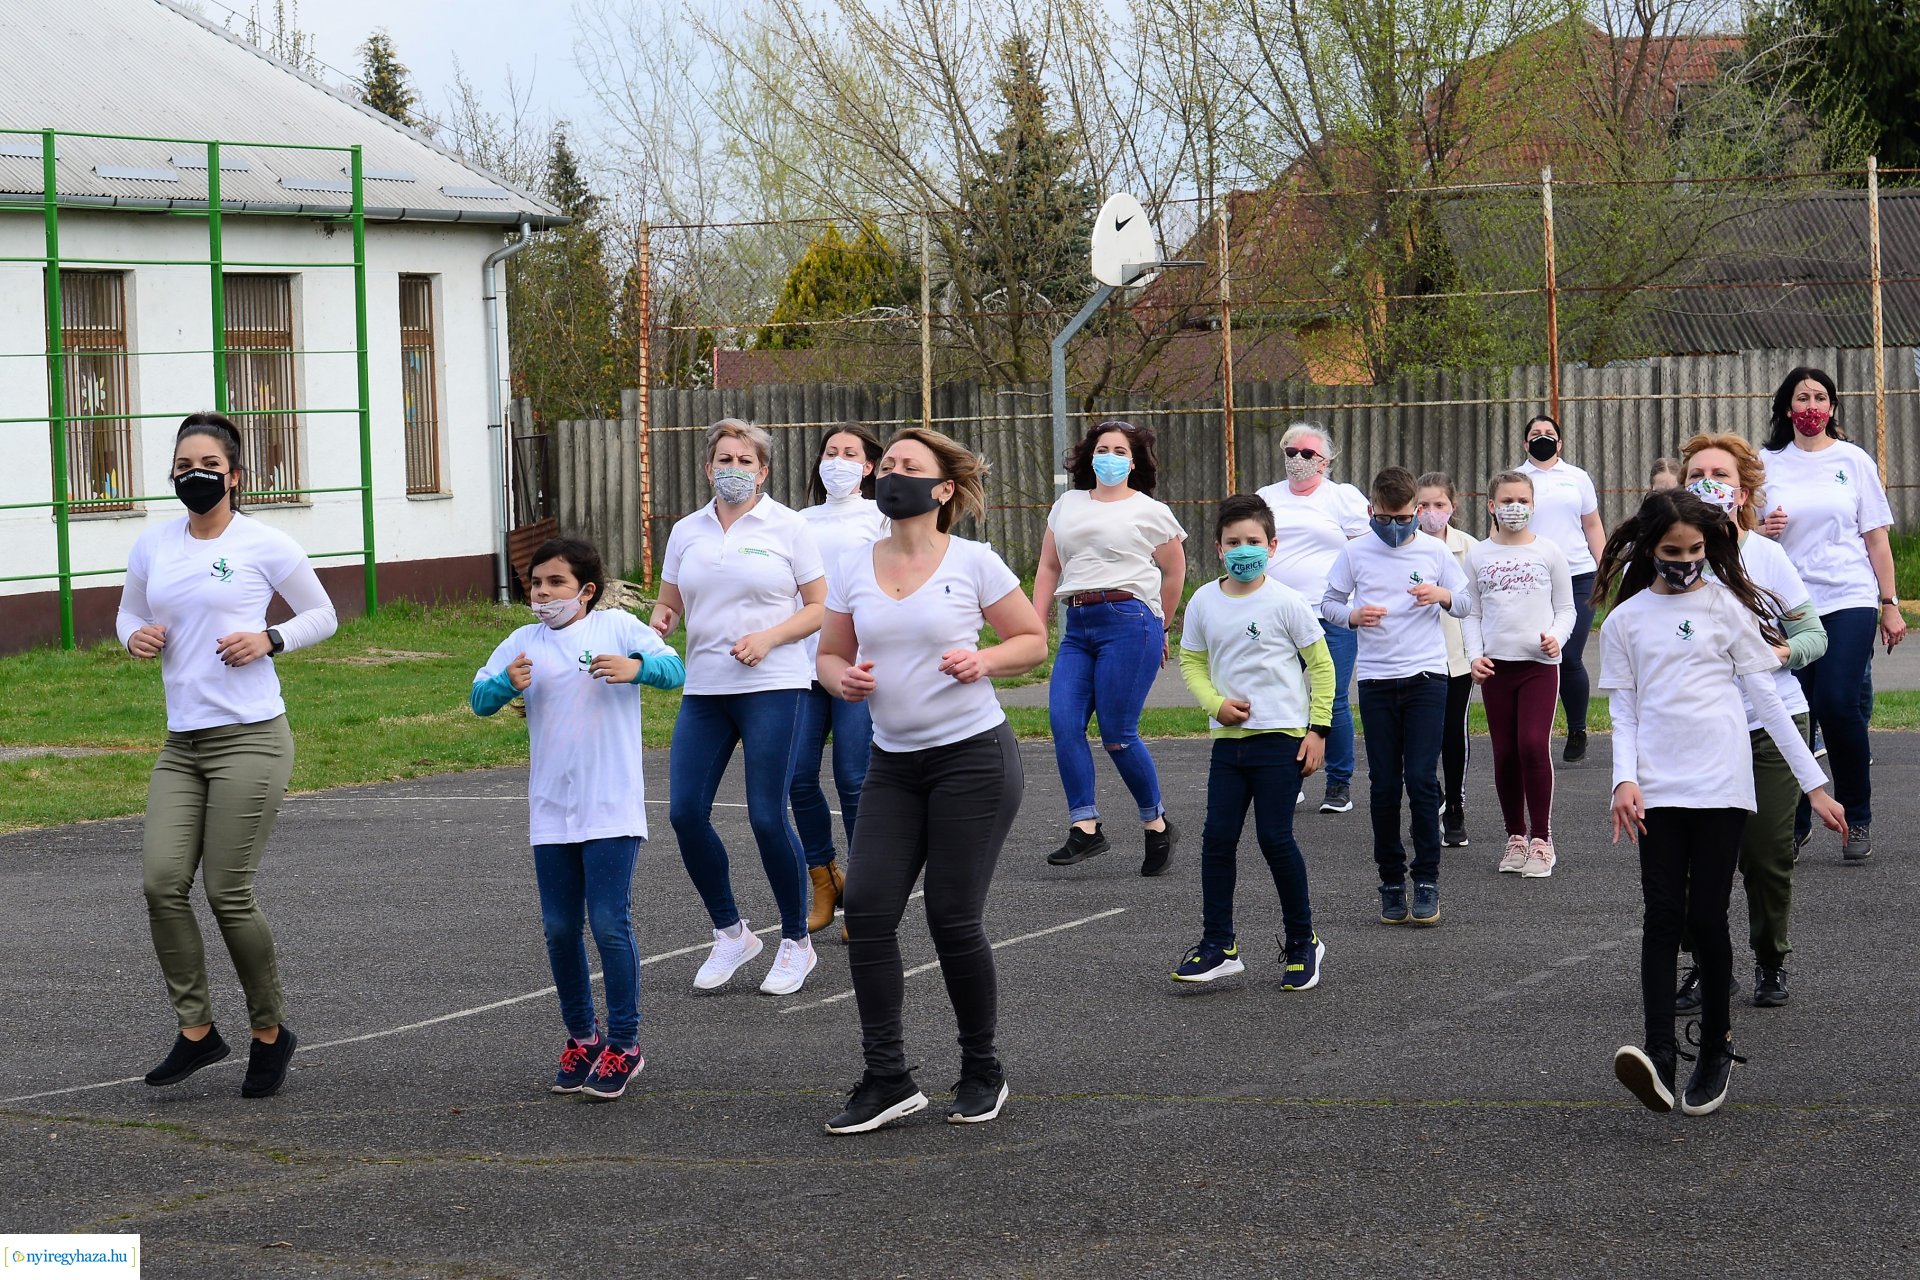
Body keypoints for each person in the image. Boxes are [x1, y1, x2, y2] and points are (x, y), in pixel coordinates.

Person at [817, 428, 1047, 1134]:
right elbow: (830, 654)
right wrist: (843, 681)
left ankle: (982, 1068)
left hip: (972, 759)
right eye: (885, 466)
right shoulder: (855, 564)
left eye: (907, 468)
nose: (891, 476)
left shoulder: (973, 561)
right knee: (871, 911)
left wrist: (987, 661)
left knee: (952, 915)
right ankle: (888, 1078)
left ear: (943, 489)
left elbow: (1033, 641)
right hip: (894, 763)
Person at [1598, 490, 1847, 1117]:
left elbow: (1768, 700)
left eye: (1696, 551)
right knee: (1661, 914)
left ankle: (1714, 1047)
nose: (1686, 562)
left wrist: (1814, 785)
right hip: (1657, 784)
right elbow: (1623, 711)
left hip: (1721, 783)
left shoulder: (1727, 607)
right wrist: (1622, 781)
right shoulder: (1626, 621)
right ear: (1650, 551)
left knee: (1706, 915)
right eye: (1672, 553)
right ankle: (1657, 1055)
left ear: (1709, 547)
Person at [118, 411, 338, 1099]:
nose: (193, 475)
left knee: (227, 891)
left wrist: (270, 640)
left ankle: (269, 1032)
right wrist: (135, 638)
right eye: (183, 466)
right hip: (182, 743)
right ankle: (197, 1032)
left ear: (236, 476)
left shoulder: (264, 543)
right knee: (161, 884)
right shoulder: (153, 546)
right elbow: (128, 613)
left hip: (250, 736)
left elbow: (323, 614)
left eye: (207, 464)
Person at [470, 537, 685, 1100]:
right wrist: (502, 685)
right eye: (536, 584)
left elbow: (673, 667)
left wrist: (635, 667)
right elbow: (478, 698)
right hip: (552, 809)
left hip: (610, 805)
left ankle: (625, 1044)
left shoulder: (615, 628)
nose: (542, 593)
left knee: (609, 921)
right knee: (560, 927)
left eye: (556, 583)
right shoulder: (522, 643)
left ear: (586, 591)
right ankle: (581, 1038)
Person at [650, 419, 826, 996]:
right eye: (724, 460)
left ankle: (796, 943)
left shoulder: (789, 527)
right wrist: (658, 625)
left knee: (766, 815)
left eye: (745, 461)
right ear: (708, 468)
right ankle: (732, 932)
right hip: (705, 688)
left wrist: (770, 638)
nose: (733, 470)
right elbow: (669, 603)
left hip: (774, 683)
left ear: (764, 471)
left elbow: (819, 607)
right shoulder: (686, 531)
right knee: (684, 812)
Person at [1676, 436, 1827, 1011]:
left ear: (1742, 491)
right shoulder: (1668, 556)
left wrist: (1780, 653)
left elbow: (1815, 634)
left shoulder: (1766, 557)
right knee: (1688, 862)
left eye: (1719, 473)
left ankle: (1771, 960)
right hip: (1696, 728)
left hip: (1770, 722)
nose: (1707, 481)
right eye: (1697, 472)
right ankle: (1704, 965)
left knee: (1764, 855)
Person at [1173, 495, 1335, 987]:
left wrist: (1318, 731)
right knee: (1217, 839)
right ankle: (1219, 944)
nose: (1244, 550)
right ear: (1218, 549)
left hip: (1281, 742)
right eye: (1233, 542)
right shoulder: (1203, 600)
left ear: (1272, 545)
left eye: (1254, 542)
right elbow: (1192, 662)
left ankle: (1303, 941)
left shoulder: (1286, 602)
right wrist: (1214, 704)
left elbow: (1322, 669)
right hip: (1229, 744)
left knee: (1274, 838)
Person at [1756, 366, 1905, 861]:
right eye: (1802, 397)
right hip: (1788, 604)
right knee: (1795, 714)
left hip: (1849, 596)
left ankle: (1856, 817)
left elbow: (1876, 538)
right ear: (1786, 408)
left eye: (1820, 397)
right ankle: (1796, 824)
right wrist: (1761, 526)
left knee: (1839, 704)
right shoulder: (1765, 463)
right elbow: (1738, 530)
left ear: (1833, 408)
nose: (1811, 406)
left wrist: (1890, 604)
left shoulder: (1853, 460)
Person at [1033, 419, 1187, 875]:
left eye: (1121, 451)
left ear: (1134, 461)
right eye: (1103, 448)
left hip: (1129, 620)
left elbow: (1175, 572)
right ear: (1089, 456)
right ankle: (1085, 827)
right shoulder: (1067, 504)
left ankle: (1156, 824)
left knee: (1118, 734)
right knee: (1064, 724)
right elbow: (1047, 566)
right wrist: (1034, 624)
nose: (1111, 457)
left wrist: (1162, 625)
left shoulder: (1150, 510)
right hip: (1077, 623)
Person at [1321, 466, 1470, 927]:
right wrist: (1353, 615)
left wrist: (1441, 594)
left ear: (1416, 513)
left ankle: (1427, 879)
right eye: (1387, 518)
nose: (1397, 525)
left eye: (1405, 517)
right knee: (1384, 785)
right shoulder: (1355, 552)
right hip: (1377, 681)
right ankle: (1390, 881)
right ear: (1372, 512)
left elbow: (1467, 603)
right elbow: (1327, 602)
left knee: (1422, 782)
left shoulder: (1435, 549)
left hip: (1427, 677)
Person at [791, 424, 888, 933]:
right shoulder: (797, 521)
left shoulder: (880, 518)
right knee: (797, 776)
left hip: (857, 666)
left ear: (869, 466)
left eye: (850, 453)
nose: (839, 461)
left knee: (854, 779)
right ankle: (827, 877)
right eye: (831, 452)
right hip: (801, 666)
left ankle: (867, 894)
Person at [1459, 471, 1575, 877]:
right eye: (1507, 500)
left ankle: (1542, 840)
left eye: (1523, 500)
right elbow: (1471, 612)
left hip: (1539, 667)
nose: (1515, 507)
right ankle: (1516, 837)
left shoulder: (1549, 552)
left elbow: (1567, 609)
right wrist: (1474, 656)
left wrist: (1557, 638)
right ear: (1491, 505)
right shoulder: (1478, 555)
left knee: (1531, 745)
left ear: (1533, 503)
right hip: (1496, 669)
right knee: (1505, 753)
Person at [1255, 422, 1371, 814]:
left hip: (1330, 613)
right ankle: (1288, 777)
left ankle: (1338, 783)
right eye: (1291, 453)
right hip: (1278, 613)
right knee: (1280, 695)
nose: (1298, 461)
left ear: (1325, 460)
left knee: (1332, 698)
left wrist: (1359, 602)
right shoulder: (1266, 498)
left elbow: (1365, 550)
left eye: (1307, 454)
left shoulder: (1342, 498)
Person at [1517, 414, 1606, 762]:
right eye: (1535, 433)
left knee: (1568, 654)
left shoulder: (1577, 478)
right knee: (1536, 654)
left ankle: (1578, 729)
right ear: (1526, 444)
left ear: (1560, 442)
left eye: (1549, 433)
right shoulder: (1517, 478)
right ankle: (1533, 734)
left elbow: (1593, 525)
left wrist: (1606, 569)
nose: (1543, 437)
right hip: (1531, 577)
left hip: (1579, 576)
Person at [1415, 472, 1477, 849]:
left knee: (1453, 731)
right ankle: (1429, 799)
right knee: (1419, 736)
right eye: (1423, 505)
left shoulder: (1470, 548)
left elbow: (1475, 604)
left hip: (1457, 657)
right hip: (1416, 657)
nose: (1431, 512)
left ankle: (1454, 805)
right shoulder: (1406, 546)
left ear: (1453, 507)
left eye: (1439, 505)